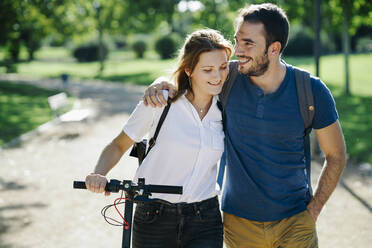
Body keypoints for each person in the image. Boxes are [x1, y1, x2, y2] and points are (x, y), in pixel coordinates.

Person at [143, 3, 347, 248]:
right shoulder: (227, 79)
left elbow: (336, 155)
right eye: (237, 40)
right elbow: (191, 78)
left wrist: (313, 210)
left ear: (274, 48)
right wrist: (161, 82)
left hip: (295, 223)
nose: (237, 50)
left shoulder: (311, 91)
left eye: (248, 43)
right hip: (238, 225)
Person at [84, 29, 233, 248]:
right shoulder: (161, 102)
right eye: (208, 70)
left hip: (206, 217)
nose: (218, 76)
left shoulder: (226, 106)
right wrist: (98, 173)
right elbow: (118, 145)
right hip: (154, 216)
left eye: (222, 67)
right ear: (189, 70)